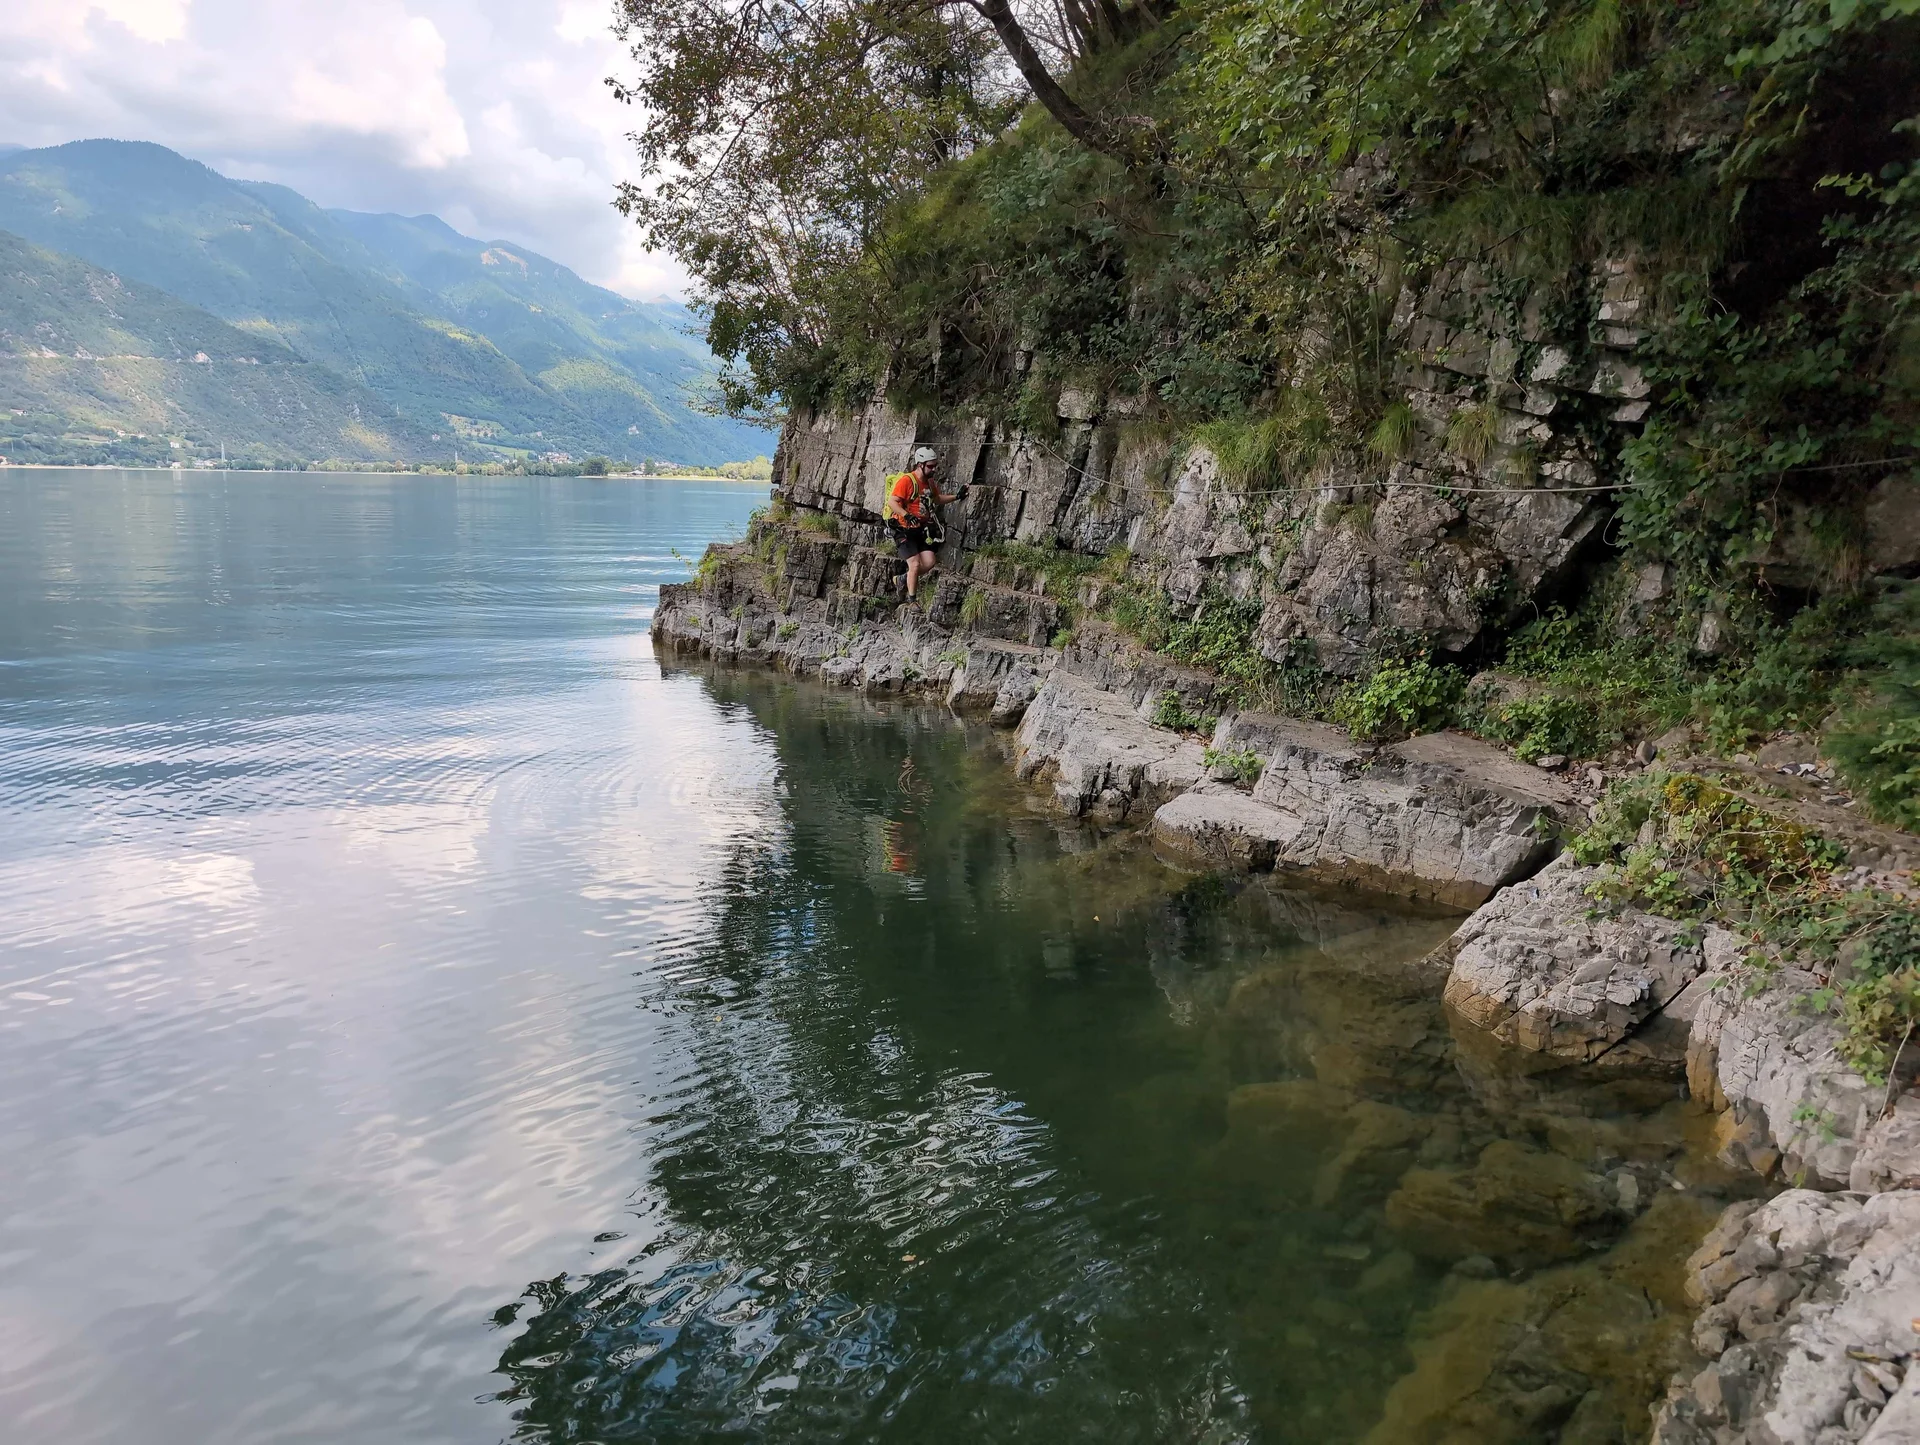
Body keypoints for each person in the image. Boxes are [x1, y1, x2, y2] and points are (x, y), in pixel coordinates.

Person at [886, 446, 967, 600]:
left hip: (920, 530)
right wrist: (907, 515)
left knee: (929, 562)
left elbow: (937, 499)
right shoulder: (907, 481)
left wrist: (956, 496)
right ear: (920, 465)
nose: (934, 469)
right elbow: (892, 502)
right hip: (904, 529)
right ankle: (912, 600)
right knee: (915, 564)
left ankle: (902, 579)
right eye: (930, 466)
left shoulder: (929, 483)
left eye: (935, 465)